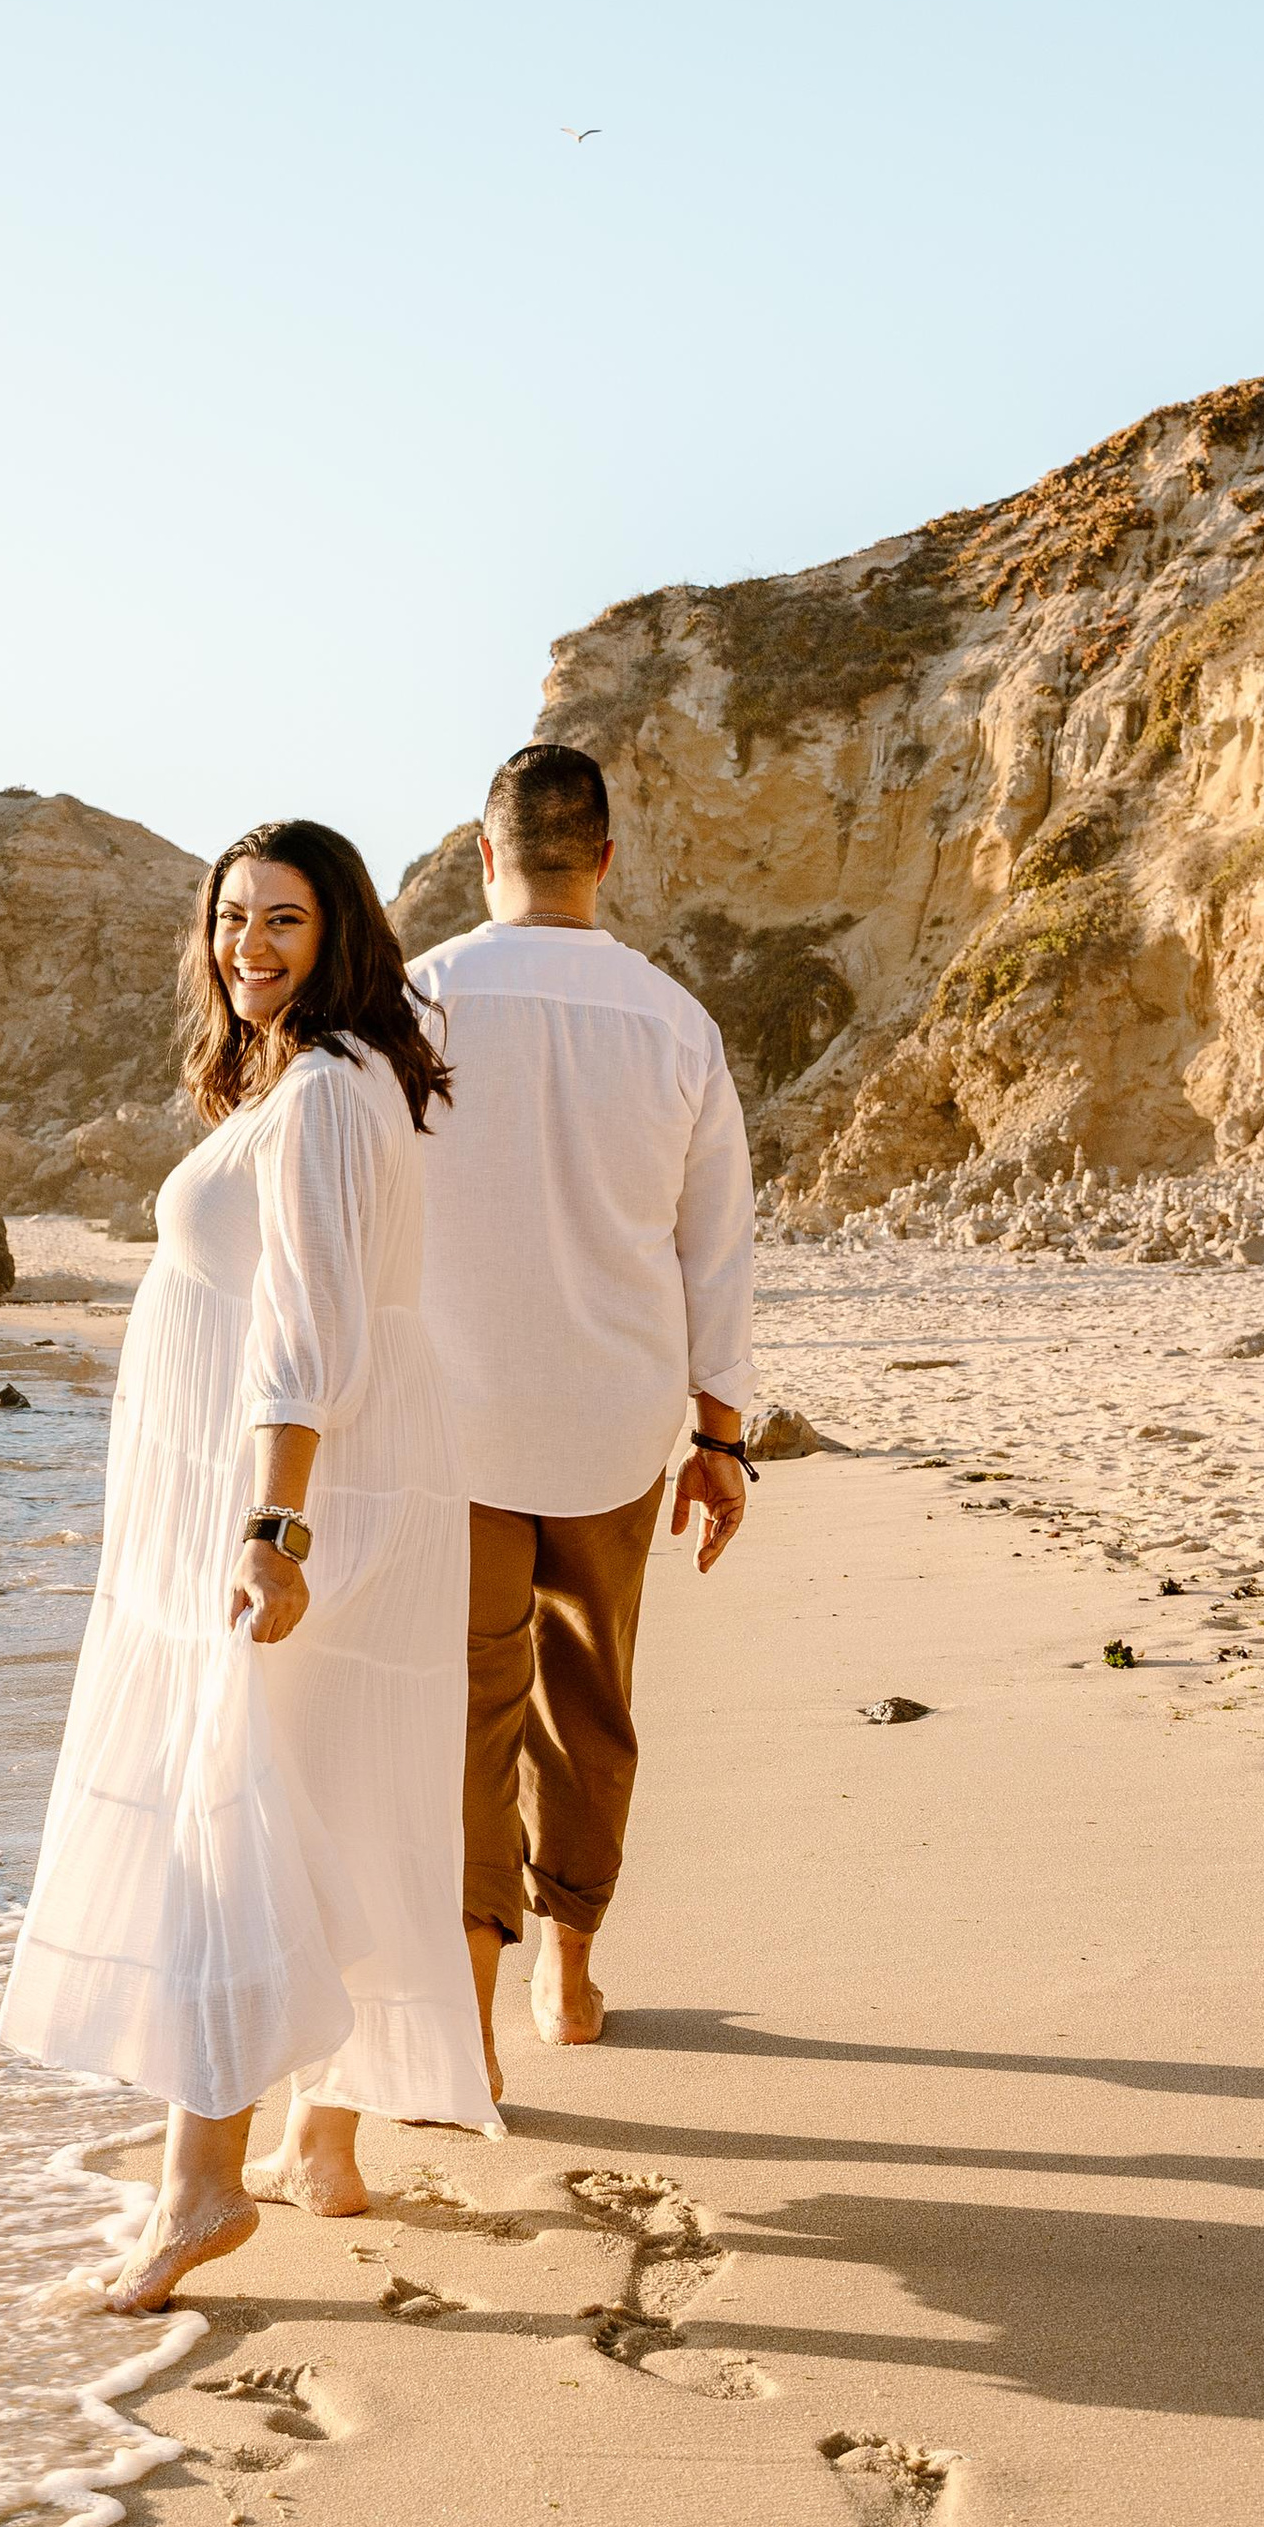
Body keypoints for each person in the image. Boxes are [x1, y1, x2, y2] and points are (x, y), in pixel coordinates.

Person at [0, 817, 497, 2313]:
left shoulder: (330, 1088)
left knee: (224, 1818)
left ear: (339, 931)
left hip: (296, 1495)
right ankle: (319, 2146)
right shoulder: (326, 1079)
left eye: (283, 918)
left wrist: (274, 1529)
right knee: (316, 1792)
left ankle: (200, 2186)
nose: (249, 945)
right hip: (334, 1481)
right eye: (230, 917)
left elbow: (306, 1329)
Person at [407, 742, 758, 2089]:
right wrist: (720, 1440)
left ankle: (470, 2018)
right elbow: (716, 1249)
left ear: (482, 851)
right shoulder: (674, 1022)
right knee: (588, 1698)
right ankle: (567, 1973)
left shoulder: (417, 1000)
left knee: (471, 1712)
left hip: (455, 1423)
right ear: (606, 858)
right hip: (617, 1423)